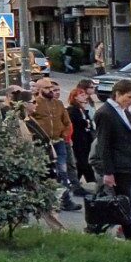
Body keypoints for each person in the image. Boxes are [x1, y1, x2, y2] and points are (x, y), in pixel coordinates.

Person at [92, 80, 131, 233]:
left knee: (125, 201)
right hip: (118, 166)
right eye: (130, 97)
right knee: (122, 202)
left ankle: (123, 232)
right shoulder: (105, 113)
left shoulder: (124, 111)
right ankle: (130, 233)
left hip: (129, 164)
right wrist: (108, 172)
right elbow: (104, 144)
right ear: (118, 94)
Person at [29, 78, 80, 211]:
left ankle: (65, 201)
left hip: (58, 143)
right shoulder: (35, 104)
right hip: (41, 144)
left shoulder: (58, 104)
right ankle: (44, 201)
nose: (50, 90)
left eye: (51, 87)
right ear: (39, 90)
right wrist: (38, 137)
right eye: (47, 88)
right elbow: (29, 122)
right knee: (44, 173)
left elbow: (67, 123)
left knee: (62, 172)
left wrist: (63, 135)